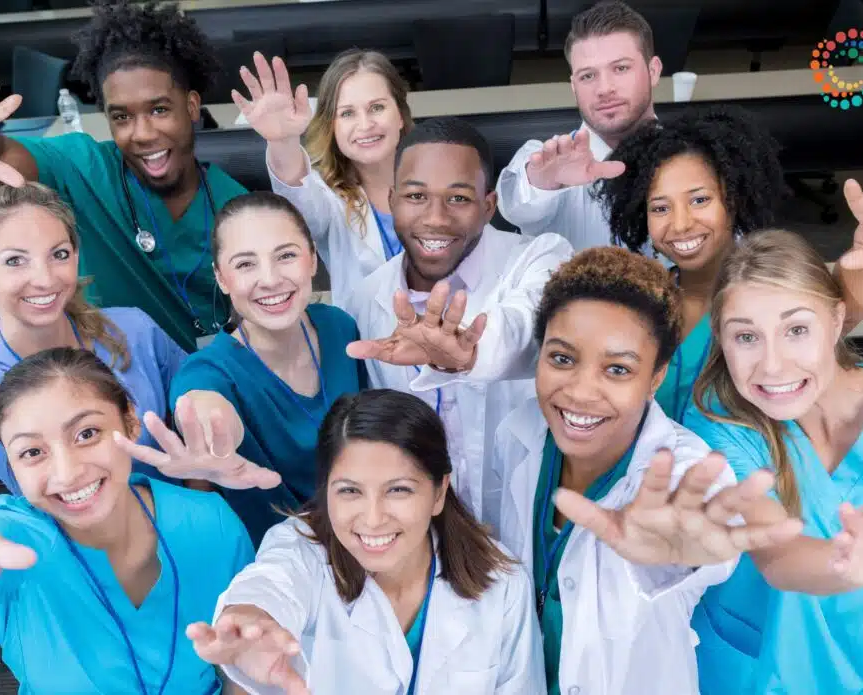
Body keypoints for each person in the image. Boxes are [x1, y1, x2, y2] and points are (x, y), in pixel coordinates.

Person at [490, 247, 804, 694]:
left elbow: (697, 554)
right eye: (562, 358)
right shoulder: (516, 434)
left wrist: (673, 559)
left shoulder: (688, 470)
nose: (581, 391)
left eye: (617, 369)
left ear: (655, 378)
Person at [0, 347, 259, 694]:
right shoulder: (14, 536)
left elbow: (240, 666)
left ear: (130, 422)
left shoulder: (212, 523)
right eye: (32, 452)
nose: (67, 474)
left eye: (87, 434)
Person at [0, 0, 249, 351]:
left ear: (191, 106)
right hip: (110, 377)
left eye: (159, 110)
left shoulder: (234, 205)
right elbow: (0, 157)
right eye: (122, 117)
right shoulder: (83, 167)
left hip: (210, 381)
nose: (142, 133)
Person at [190, 389, 545, 695]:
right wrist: (251, 616)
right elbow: (273, 582)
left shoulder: (503, 584)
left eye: (399, 490)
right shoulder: (300, 549)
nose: (373, 518)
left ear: (439, 492)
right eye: (349, 491)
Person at [686, 230, 863, 695]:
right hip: (743, 675)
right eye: (747, 336)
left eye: (796, 330)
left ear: (836, 321)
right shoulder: (718, 419)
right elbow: (777, 556)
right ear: (721, 339)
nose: (773, 366)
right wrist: (845, 565)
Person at [595, 107, 863, 424]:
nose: (680, 224)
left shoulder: (771, 285)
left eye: (699, 200)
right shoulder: (640, 302)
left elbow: (845, 300)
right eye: (660, 208)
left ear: (733, 198)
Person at [344, 116, 574, 521]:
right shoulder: (365, 300)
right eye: (416, 197)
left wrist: (465, 356)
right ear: (393, 199)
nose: (435, 218)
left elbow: (526, 328)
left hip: (522, 528)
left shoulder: (539, 257)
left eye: (458, 199)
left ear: (488, 206)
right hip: (420, 538)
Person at [0, 182, 187, 493]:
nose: (45, 279)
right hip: (63, 541)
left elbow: (196, 427)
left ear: (76, 255)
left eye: (59, 254)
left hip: (178, 532)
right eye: (15, 261)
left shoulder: (135, 329)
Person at [167, 191, 368, 546]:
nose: (271, 279)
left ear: (312, 260)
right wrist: (216, 438)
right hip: (281, 564)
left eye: (286, 255)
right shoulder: (208, 371)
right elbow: (206, 404)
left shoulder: (340, 328)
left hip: (366, 536)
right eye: (246, 264)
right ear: (222, 278)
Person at [234, 49, 412, 309]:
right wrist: (283, 142)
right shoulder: (329, 200)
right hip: (364, 344)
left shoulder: (438, 178)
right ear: (332, 126)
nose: (365, 125)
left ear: (400, 114)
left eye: (377, 107)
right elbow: (302, 208)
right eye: (347, 113)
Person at [495, 0, 657, 253]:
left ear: (653, 71)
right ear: (573, 86)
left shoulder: (700, 156)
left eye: (621, 68)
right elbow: (516, 204)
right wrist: (543, 181)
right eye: (588, 76)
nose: (604, 89)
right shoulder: (546, 159)